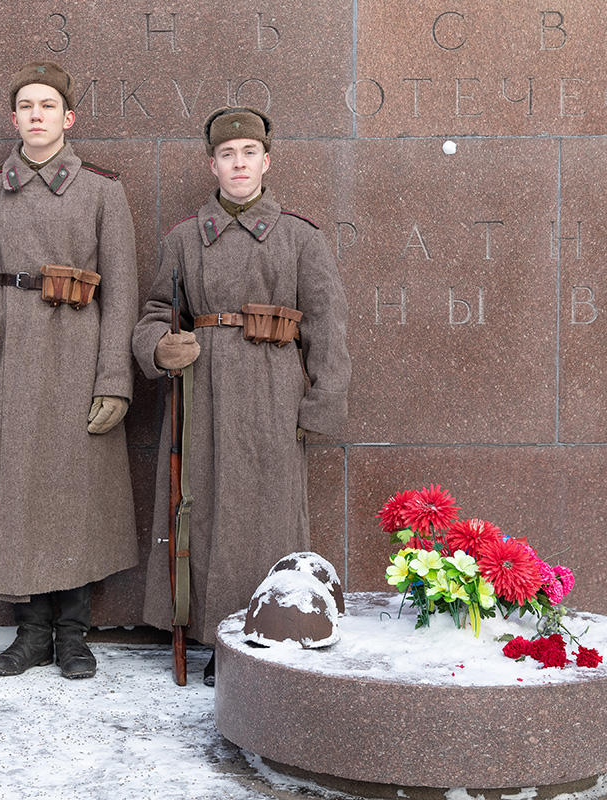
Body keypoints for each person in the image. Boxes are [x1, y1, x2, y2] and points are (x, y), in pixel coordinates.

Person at [131, 107, 351, 685]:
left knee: (269, 514)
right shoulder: (183, 239)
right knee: (199, 513)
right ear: (212, 164)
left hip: (272, 394)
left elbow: (326, 326)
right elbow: (156, 311)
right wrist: (159, 346)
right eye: (227, 155)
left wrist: (319, 403)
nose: (238, 164)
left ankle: (271, 632)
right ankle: (211, 638)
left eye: (249, 153)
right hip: (199, 396)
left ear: (266, 161)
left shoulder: (301, 237)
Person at [0, 62, 139, 680]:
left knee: (77, 488)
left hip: (80, 352)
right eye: (25, 106)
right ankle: (30, 633)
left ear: (69, 117)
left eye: (48, 106)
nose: (36, 115)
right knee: (21, 488)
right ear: (13, 119)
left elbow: (125, 296)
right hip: (12, 355)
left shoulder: (103, 191)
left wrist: (115, 378)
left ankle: (74, 633)